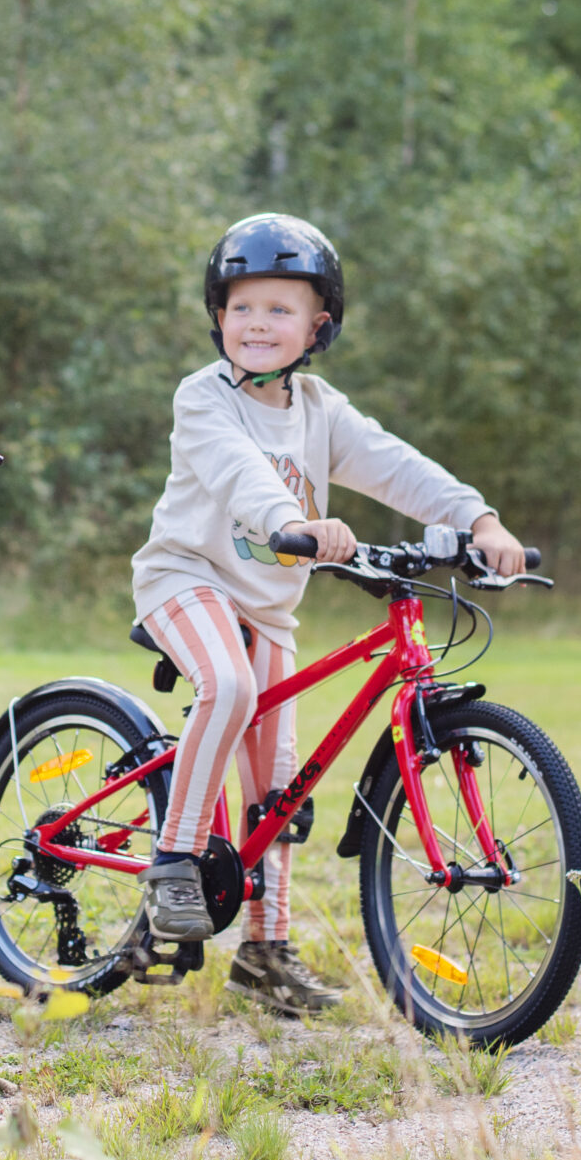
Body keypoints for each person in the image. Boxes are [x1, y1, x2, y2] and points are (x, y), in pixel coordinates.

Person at [129, 213, 527, 1015]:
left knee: (279, 788)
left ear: (318, 326)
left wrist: (478, 518)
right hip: (186, 578)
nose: (257, 323)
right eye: (242, 306)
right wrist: (294, 520)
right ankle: (173, 863)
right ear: (217, 315)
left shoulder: (318, 408)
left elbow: (394, 464)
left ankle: (265, 952)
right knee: (229, 687)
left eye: (280, 309)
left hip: (270, 610)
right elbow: (238, 473)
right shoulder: (203, 398)